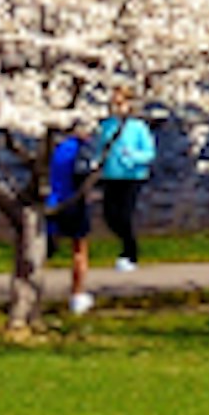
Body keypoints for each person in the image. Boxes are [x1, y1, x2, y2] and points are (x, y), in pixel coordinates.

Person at [94, 108, 157, 269]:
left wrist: (133, 156)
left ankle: (130, 252)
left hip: (132, 176)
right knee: (109, 214)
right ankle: (127, 244)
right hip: (110, 175)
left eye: (120, 103)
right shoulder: (107, 125)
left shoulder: (138, 126)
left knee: (124, 214)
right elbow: (101, 147)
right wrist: (96, 162)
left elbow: (149, 152)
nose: (116, 108)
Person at [43, 130, 96, 315]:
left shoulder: (50, 146)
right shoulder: (79, 149)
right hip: (73, 202)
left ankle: (33, 287)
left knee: (44, 249)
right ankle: (77, 294)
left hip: (51, 201)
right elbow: (83, 174)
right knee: (79, 249)